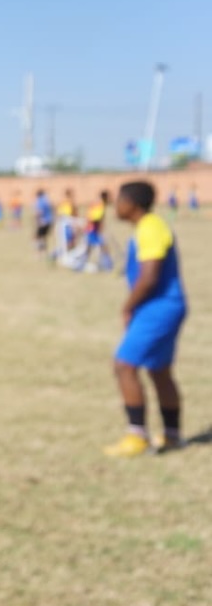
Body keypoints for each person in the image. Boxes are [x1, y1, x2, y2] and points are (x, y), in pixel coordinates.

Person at [104, 180, 188, 457]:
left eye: (120, 200)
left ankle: (137, 435)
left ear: (133, 204)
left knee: (124, 365)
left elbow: (149, 276)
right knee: (159, 370)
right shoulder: (148, 227)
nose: (116, 205)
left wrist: (128, 306)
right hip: (161, 306)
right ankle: (173, 436)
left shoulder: (151, 228)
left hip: (158, 308)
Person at [82, 190, 114, 273]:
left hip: (92, 229)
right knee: (101, 246)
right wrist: (99, 227)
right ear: (105, 197)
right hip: (92, 229)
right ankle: (108, 265)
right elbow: (95, 218)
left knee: (90, 247)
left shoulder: (98, 204)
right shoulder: (100, 205)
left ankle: (83, 263)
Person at [33, 189, 54, 256]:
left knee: (38, 237)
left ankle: (39, 253)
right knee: (44, 237)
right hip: (49, 221)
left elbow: (39, 212)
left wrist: (37, 220)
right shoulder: (47, 200)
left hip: (43, 222)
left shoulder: (40, 201)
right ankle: (45, 252)